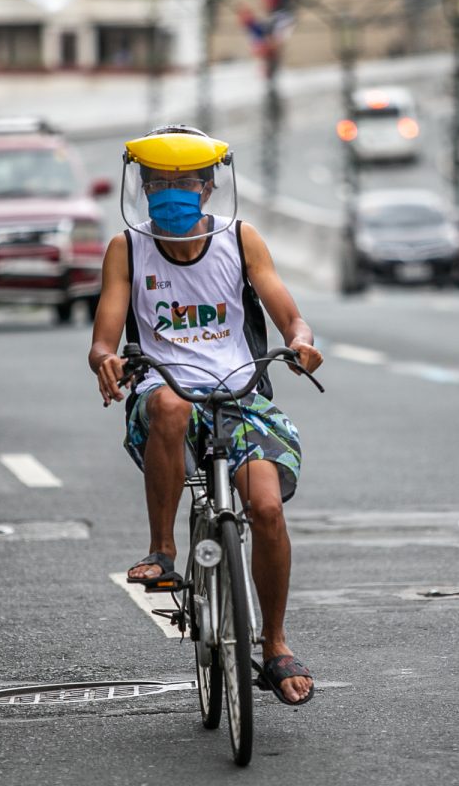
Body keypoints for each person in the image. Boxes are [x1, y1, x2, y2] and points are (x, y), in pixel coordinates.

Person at [88, 125, 323, 706]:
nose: (171, 192)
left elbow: (291, 316)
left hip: (238, 393)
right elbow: (104, 338)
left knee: (265, 509)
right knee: (169, 404)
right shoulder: (127, 248)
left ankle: (275, 643)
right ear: (141, 188)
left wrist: (301, 341)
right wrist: (107, 361)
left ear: (208, 187)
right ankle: (162, 552)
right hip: (161, 388)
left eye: (183, 182)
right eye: (158, 183)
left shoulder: (242, 241)